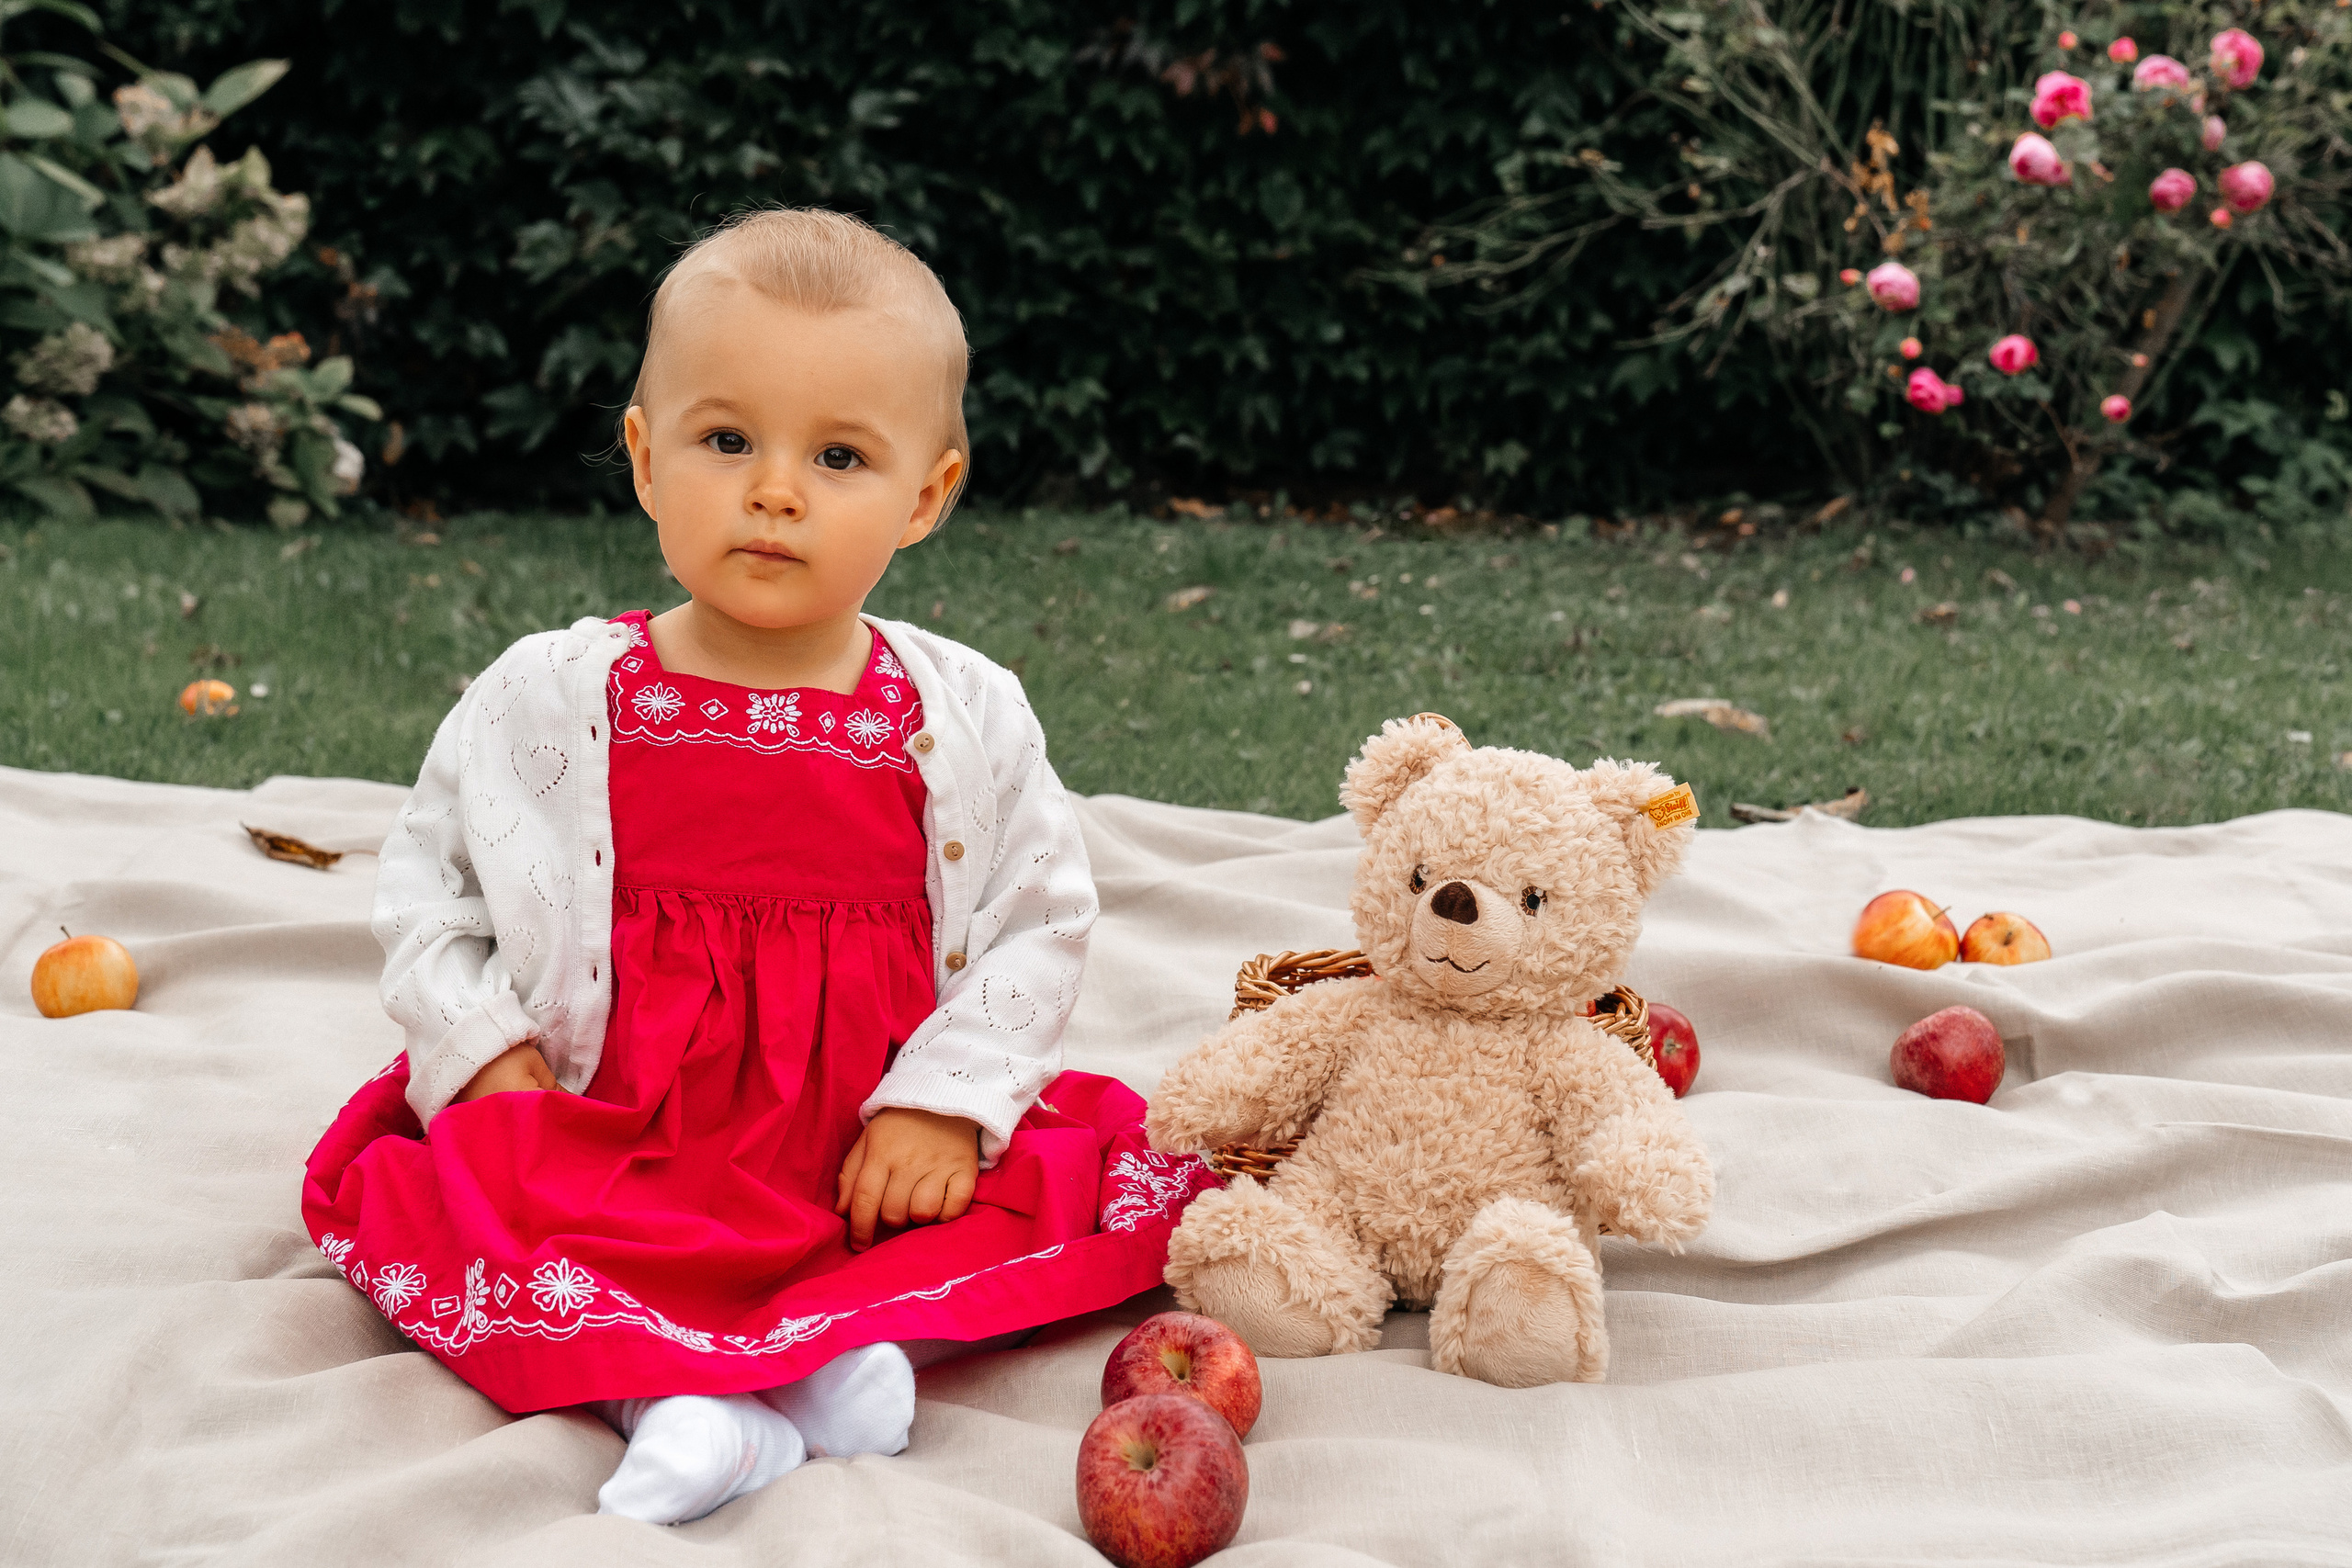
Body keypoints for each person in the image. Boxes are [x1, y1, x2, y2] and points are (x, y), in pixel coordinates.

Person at [301, 209, 1216, 1526]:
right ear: (644, 456)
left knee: (1020, 1194)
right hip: (616, 1120)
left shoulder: (959, 715)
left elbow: (1039, 918)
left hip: (853, 1133)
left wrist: (946, 1102)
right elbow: (430, 889)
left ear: (928, 494)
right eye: (727, 441)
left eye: (838, 455)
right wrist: (485, 1047)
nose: (774, 490)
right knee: (484, 1206)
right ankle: (676, 1410)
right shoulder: (551, 698)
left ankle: (835, 1360)